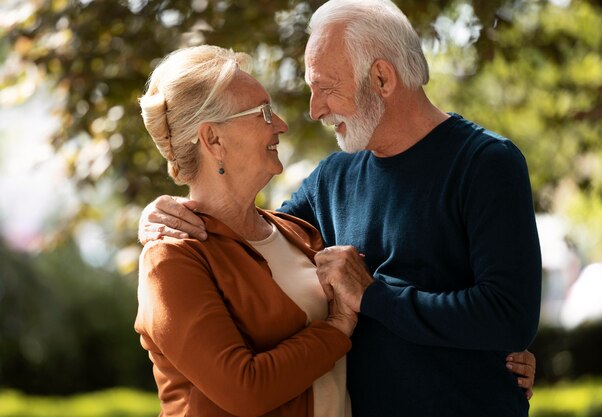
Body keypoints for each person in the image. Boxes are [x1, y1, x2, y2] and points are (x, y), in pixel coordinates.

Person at [138, 0, 542, 416]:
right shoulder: (332, 180)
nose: (313, 111)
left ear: (381, 78)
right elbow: (247, 240)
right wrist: (160, 214)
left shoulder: (486, 163)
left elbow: (509, 316)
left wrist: (373, 298)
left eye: (326, 87)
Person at [135, 45, 357, 417]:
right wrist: (339, 325)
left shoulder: (296, 231)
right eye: (264, 113)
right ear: (213, 140)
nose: (281, 125)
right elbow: (246, 391)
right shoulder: (172, 258)